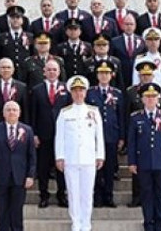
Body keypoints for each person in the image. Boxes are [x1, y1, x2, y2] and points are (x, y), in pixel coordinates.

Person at [54, 76, 106, 231]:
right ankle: (75, 222)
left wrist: (100, 155)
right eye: (75, 91)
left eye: (81, 91)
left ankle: (86, 222)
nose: (78, 94)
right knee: (72, 192)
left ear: (85, 92)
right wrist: (59, 156)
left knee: (87, 192)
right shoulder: (64, 113)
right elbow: (60, 136)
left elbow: (99, 135)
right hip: (70, 158)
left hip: (88, 158)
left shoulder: (93, 111)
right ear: (71, 93)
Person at [128, 86, 161, 231]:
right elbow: (132, 142)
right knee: (146, 195)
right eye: (147, 97)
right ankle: (148, 223)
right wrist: (132, 162)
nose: (150, 99)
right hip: (143, 162)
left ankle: (159, 223)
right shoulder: (136, 118)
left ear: (158, 99)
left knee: (160, 195)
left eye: (153, 96)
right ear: (142, 99)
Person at [0, 100, 35, 231]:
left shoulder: (27, 130)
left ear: (19, 113)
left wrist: (30, 175)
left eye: (14, 110)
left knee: (17, 213)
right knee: (2, 212)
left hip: (20, 177)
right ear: (3, 113)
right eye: (8, 110)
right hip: (0, 177)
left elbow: (31, 156)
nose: (11, 112)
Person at [27, 58, 68, 208]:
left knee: (61, 167)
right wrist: (34, 134)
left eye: (54, 70)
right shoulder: (37, 90)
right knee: (43, 167)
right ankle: (43, 195)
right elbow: (32, 113)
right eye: (49, 70)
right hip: (43, 135)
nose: (52, 72)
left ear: (59, 72)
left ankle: (61, 194)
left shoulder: (66, 89)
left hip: (62, 135)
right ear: (44, 72)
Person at [84, 63, 125, 209]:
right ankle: (97, 196)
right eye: (101, 73)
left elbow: (121, 116)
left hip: (111, 135)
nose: (104, 76)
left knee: (109, 168)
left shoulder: (117, 93)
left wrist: (121, 136)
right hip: (94, 136)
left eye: (107, 73)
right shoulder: (90, 93)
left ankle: (109, 196)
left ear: (111, 75)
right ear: (97, 75)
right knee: (96, 168)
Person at [131, 28, 161, 116]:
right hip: (145, 97)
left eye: (156, 39)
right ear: (145, 42)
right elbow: (136, 81)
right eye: (150, 39)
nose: (153, 42)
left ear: (160, 41)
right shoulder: (139, 59)